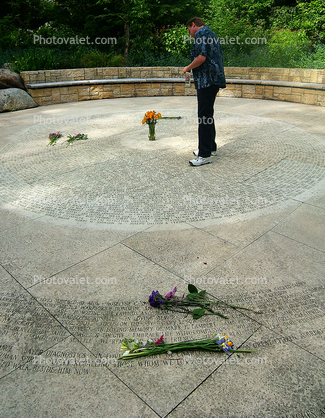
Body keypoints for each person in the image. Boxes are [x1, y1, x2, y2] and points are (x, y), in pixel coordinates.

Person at [183, 17, 226, 166]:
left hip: (206, 81)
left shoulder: (201, 34)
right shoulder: (211, 33)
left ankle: (204, 155)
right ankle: (211, 147)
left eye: (189, 30)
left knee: (203, 116)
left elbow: (201, 57)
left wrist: (188, 68)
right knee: (208, 115)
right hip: (214, 80)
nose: (190, 34)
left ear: (193, 25)